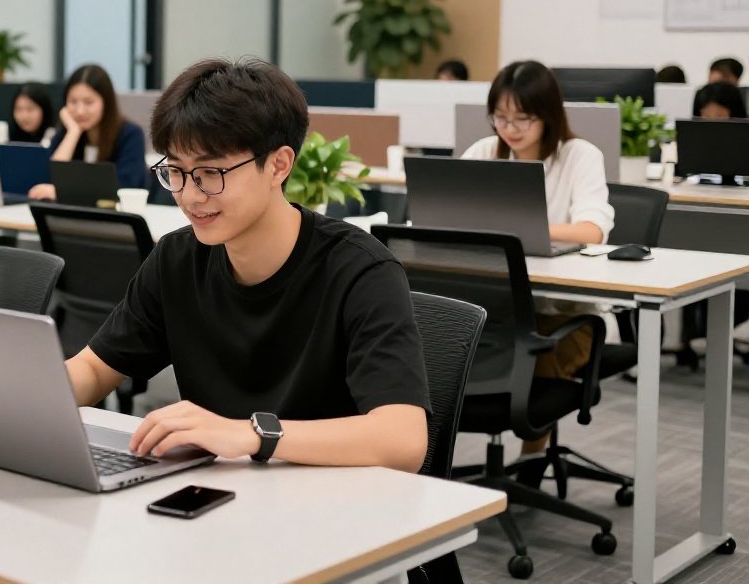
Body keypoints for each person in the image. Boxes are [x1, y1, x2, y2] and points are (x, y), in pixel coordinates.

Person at [64, 57, 428, 471]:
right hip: (214, 496)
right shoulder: (176, 259)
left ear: (278, 165)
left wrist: (252, 434)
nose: (190, 195)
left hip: (328, 507)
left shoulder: (360, 271)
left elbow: (403, 440)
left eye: (211, 172)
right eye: (177, 172)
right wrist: (11, 398)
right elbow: (94, 370)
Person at [460, 60, 612, 456]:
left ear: (547, 115)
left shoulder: (579, 156)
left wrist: (522, 226)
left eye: (522, 119)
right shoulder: (483, 152)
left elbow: (591, 230)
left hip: (565, 314)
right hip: (496, 312)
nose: (509, 130)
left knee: (536, 363)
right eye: (500, 118)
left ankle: (529, 468)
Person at [27, 64, 147, 199]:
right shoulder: (67, 132)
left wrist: (64, 192)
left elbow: (125, 188)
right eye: (73, 101)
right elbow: (48, 180)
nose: (80, 111)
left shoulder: (130, 135)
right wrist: (73, 133)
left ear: (106, 102)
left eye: (88, 102)